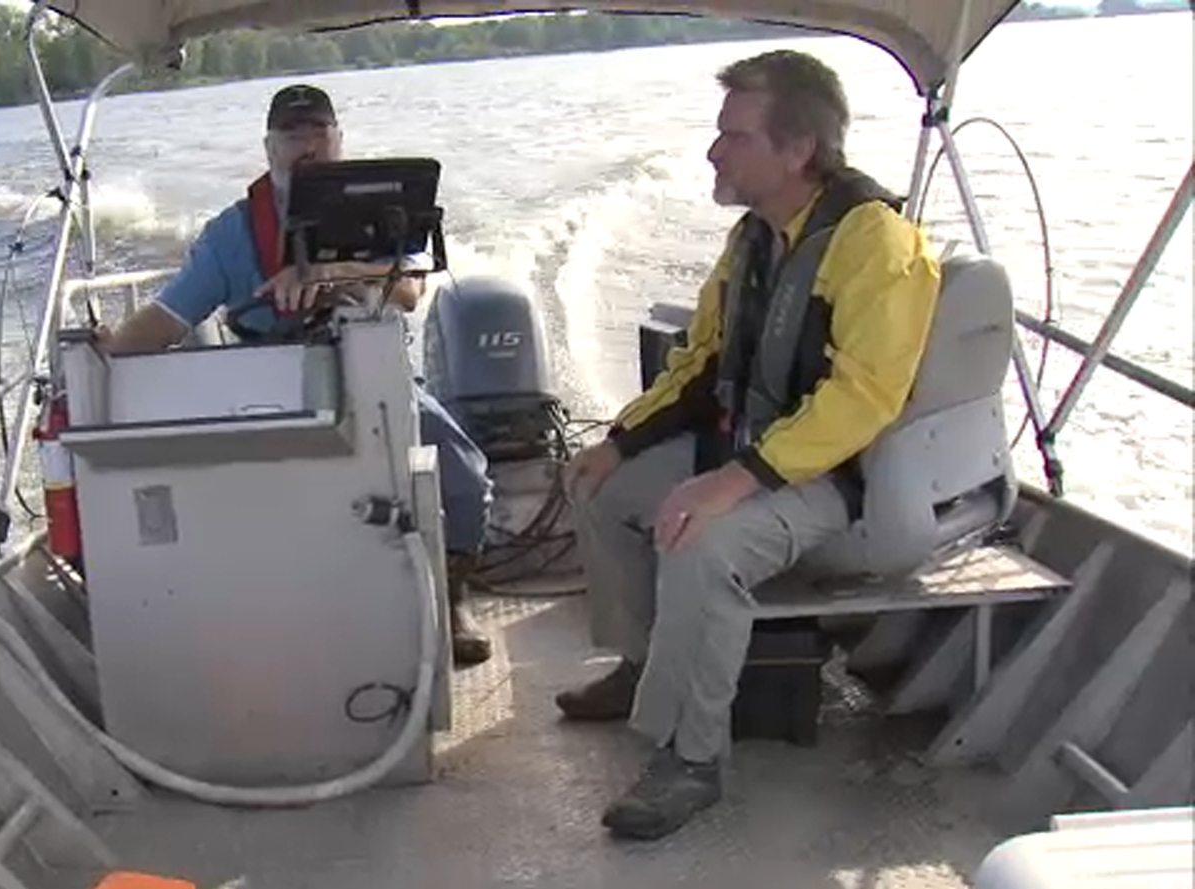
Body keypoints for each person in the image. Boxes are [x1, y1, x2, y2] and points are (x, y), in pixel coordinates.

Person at [554, 49, 942, 841]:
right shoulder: (753, 240)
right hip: (747, 451)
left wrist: (732, 483)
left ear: (798, 149)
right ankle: (643, 664)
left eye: (734, 136)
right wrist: (622, 443)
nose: (713, 151)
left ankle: (691, 758)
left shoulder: (876, 244)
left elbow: (862, 398)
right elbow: (701, 360)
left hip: (834, 478)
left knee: (703, 539)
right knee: (596, 486)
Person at [94, 83, 496, 668]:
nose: (307, 146)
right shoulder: (231, 233)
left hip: (377, 382)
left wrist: (330, 272)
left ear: (339, 140)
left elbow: (408, 292)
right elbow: (169, 319)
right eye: (291, 135)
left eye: (318, 133)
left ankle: (452, 597)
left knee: (464, 476)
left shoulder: (382, 210)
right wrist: (106, 349)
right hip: (266, 389)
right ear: (269, 148)